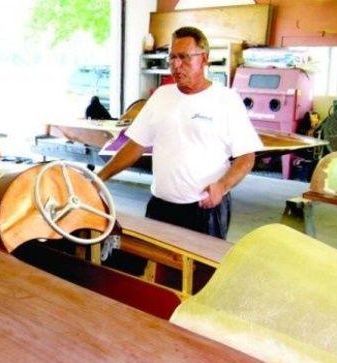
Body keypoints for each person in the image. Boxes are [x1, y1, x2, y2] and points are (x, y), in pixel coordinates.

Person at [98, 27, 263, 239]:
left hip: (205, 208)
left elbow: (247, 156)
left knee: (203, 270)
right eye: (172, 58)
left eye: (184, 57)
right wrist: (100, 177)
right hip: (161, 206)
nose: (176, 65)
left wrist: (222, 186)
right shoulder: (161, 96)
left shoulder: (226, 100)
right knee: (156, 267)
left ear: (204, 58)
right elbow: (135, 145)